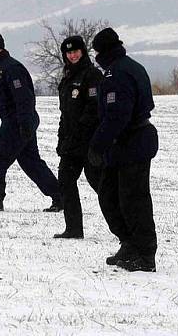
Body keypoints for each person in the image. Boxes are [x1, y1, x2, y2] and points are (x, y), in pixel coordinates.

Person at [88, 27, 158, 272]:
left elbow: (117, 116)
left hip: (132, 143)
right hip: (125, 144)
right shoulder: (125, 67)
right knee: (110, 197)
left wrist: (97, 145)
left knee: (133, 201)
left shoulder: (117, 73)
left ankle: (145, 255)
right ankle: (128, 245)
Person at [0, 32, 62, 212]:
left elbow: (24, 99)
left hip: (18, 122)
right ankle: (60, 197)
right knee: (31, 162)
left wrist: (24, 125)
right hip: (19, 122)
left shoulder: (11, 69)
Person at [53, 35, 103, 239]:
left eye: (76, 51)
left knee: (100, 184)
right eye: (69, 52)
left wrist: (79, 135)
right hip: (71, 144)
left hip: (89, 141)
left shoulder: (92, 75)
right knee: (65, 181)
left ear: (83, 52)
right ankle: (73, 228)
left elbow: (93, 110)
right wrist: (62, 138)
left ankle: (126, 223)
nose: (72, 55)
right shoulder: (67, 78)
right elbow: (65, 114)